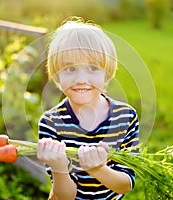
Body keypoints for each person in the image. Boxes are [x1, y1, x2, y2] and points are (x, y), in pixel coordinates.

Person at [37, 17, 139, 200]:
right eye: (69, 69)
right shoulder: (51, 123)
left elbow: (125, 184)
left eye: (93, 68)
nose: (81, 79)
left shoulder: (126, 117)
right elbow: (65, 196)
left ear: (107, 73)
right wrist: (59, 167)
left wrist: (98, 169)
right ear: (56, 75)